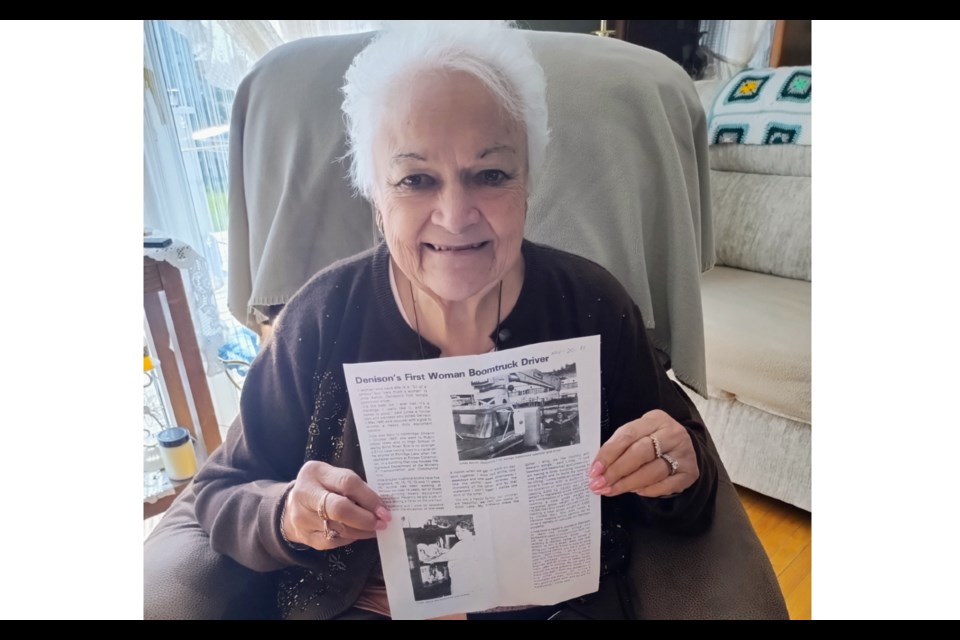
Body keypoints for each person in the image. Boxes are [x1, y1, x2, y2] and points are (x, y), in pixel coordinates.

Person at [191, 20, 718, 620]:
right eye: (416, 180)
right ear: (376, 195)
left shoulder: (591, 306)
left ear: (529, 180)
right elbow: (220, 494)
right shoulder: (321, 319)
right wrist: (287, 514)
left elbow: (686, 483)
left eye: (490, 174)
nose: (455, 214)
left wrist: (674, 466)